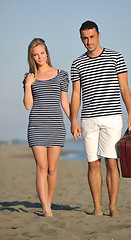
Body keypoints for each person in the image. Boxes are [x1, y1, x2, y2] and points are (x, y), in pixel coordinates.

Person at [71, 20, 131, 217]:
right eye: (85, 38)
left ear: (99, 35)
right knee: (93, 164)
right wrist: (73, 120)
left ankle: (113, 208)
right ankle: (97, 209)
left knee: (111, 162)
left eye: (91, 37)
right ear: (81, 39)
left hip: (112, 117)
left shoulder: (116, 57)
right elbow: (76, 94)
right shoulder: (77, 63)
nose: (88, 41)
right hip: (88, 119)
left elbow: (124, 88)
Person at [23, 38, 70, 217]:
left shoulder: (61, 74)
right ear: (32, 57)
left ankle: (48, 202)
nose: (40, 57)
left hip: (56, 126)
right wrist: (28, 85)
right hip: (37, 127)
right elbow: (28, 105)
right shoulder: (29, 78)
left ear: (47, 53)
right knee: (42, 168)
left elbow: (65, 101)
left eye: (42, 53)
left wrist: (74, 121)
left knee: (52, 169)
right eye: (36, 54)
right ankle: (46, 208)